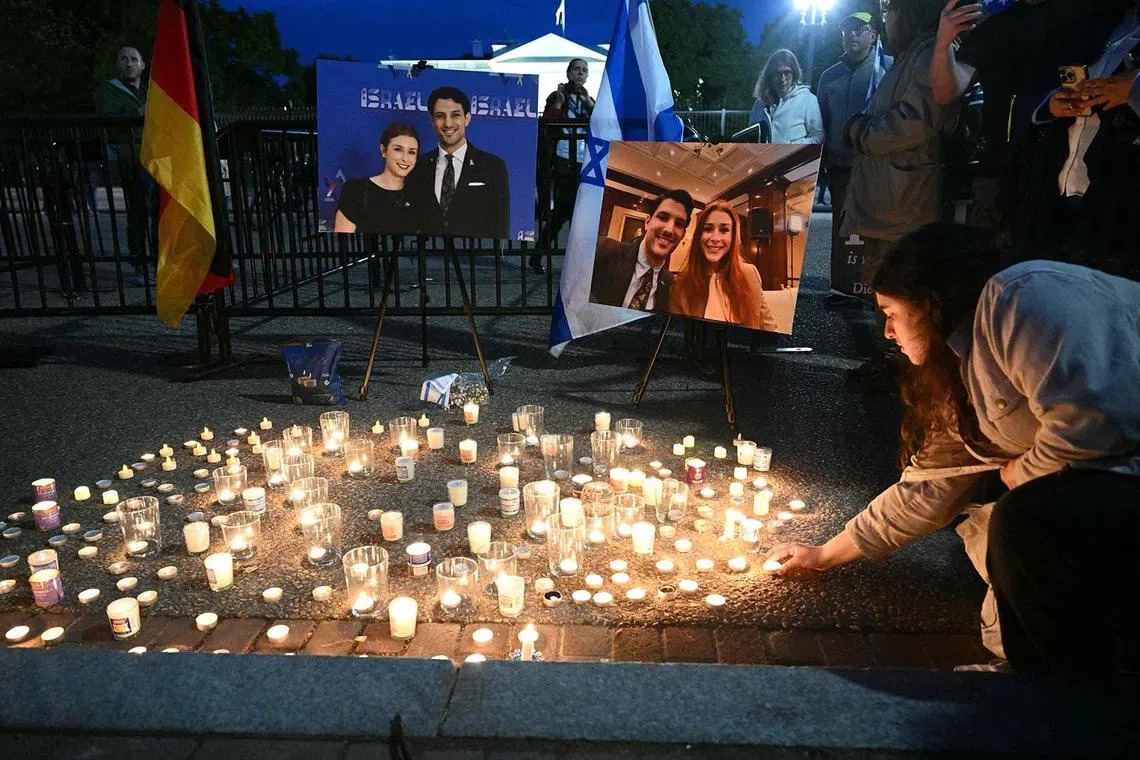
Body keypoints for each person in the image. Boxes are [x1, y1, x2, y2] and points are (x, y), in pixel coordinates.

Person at [764, 222, 1140, 686]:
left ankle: (1070, 705)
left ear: (931, 304)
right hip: (1107, 488)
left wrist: (1029, 470)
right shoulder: (962, 369)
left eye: (891, 313)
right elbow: (928, 489)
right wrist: (823, 555)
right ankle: (1050, 683)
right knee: (998, 524)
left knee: (1024, 520)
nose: (886, 332)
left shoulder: (1022, 298)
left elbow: (1101, 419)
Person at [817, 11, 892, 303]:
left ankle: (874, 290)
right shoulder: (828, 76)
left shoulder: (888, 69)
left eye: (859, 30)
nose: (852, 35)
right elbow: (822, 122)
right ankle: (842, 288)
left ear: (873, 35)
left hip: (875, 165)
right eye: (847, 30)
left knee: (875, 229)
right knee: (842, 228)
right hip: (840, 166)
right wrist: (822, 162)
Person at [406, 86, 510, 239]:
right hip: (431, 256)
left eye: (455, 115)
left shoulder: (493, 166)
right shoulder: (418, 166)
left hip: (476, 258)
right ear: (432, 121)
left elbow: (501, 223)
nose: (448, 124)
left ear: (467, 119)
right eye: (440, 116)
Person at [95, 46, 154, 286]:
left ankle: (161, 260)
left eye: (133, 59)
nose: (129, 63)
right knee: (139, 209)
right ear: (118, 64)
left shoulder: (150, 91)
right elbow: (107, 119)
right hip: (132, 154)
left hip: (157, 154)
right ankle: (140, 264)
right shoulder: (109, 90)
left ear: (142, 64)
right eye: (123, 59)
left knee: (159, 210)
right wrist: (136, 112)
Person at [670, 201, 779, 331]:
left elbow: (769, 328)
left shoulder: (750, 273)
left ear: (733, 237)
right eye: (708, 229)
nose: (715, 238)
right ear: (699, 235)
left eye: (724, 230)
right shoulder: (679, 285)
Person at [589, 189, 693, 313]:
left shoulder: (672, 288)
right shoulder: (600, 250)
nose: (669, 230)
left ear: (683, 235)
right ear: (647, 222)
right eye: (663, 217)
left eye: (679, 224)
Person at [539, 58, 596, 272]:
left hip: (584, 158)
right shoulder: (558, 95)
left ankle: (540, 253)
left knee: (568, 210)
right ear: (569, 72)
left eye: (584, 70)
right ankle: (574, 262)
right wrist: (559, 102)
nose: (580, 73)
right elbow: (549, 121)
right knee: (571, 208)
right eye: (577, 69)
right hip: (564, 157)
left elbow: (599, 122)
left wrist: (591, 104)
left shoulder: (588, 98)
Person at [334, 122, 421, 235]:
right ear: (384, 151)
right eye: (398, 149)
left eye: (411, 152)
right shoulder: (356, 191)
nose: (405, 158)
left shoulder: (419, 195)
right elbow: (343, 241)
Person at [750, 49, 824, 144]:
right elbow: (751, 137)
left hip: (793, 158)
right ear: (770, 75)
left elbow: (818, 137)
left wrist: (790, 147)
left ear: (794, 73)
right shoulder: (759, 104)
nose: (783, 79)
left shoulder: (807, 100)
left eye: (787, 73)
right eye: (778, 74)